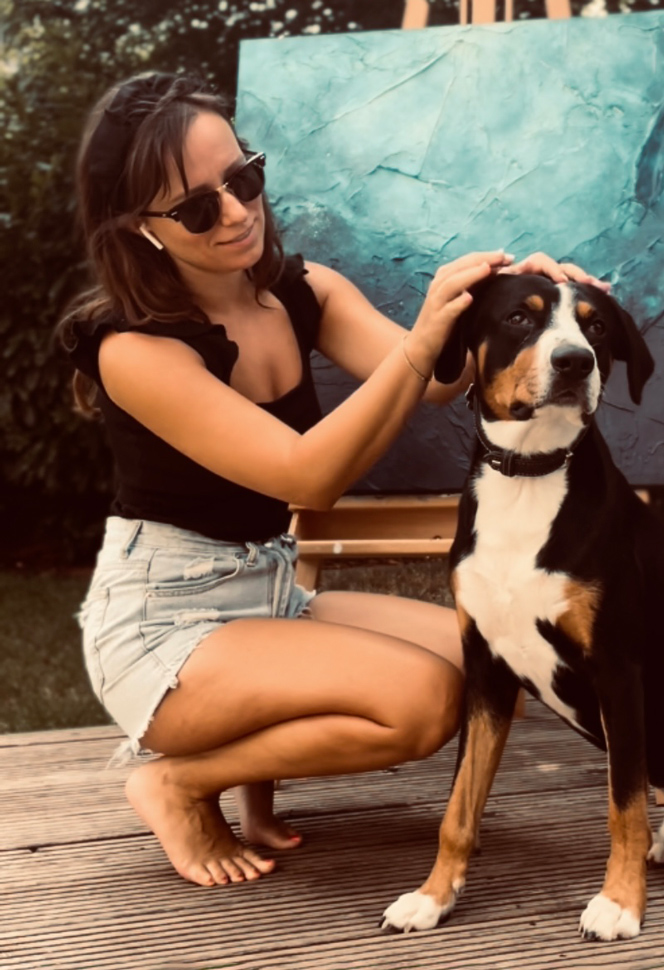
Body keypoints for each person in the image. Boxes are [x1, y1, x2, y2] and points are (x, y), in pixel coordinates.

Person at [58, 72, 607, 889]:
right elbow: (307, 477)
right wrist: (422, 341)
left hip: (271, 591)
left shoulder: (300, 291)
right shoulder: (134, 351)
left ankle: (244, 784)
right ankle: (176, 782)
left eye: (243, 179)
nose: (238, 213)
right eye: (198, 209)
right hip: (165, 626)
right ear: (140, 228)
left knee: (496, 664)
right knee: (422, 702)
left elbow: (439, 380)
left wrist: (517, 306)